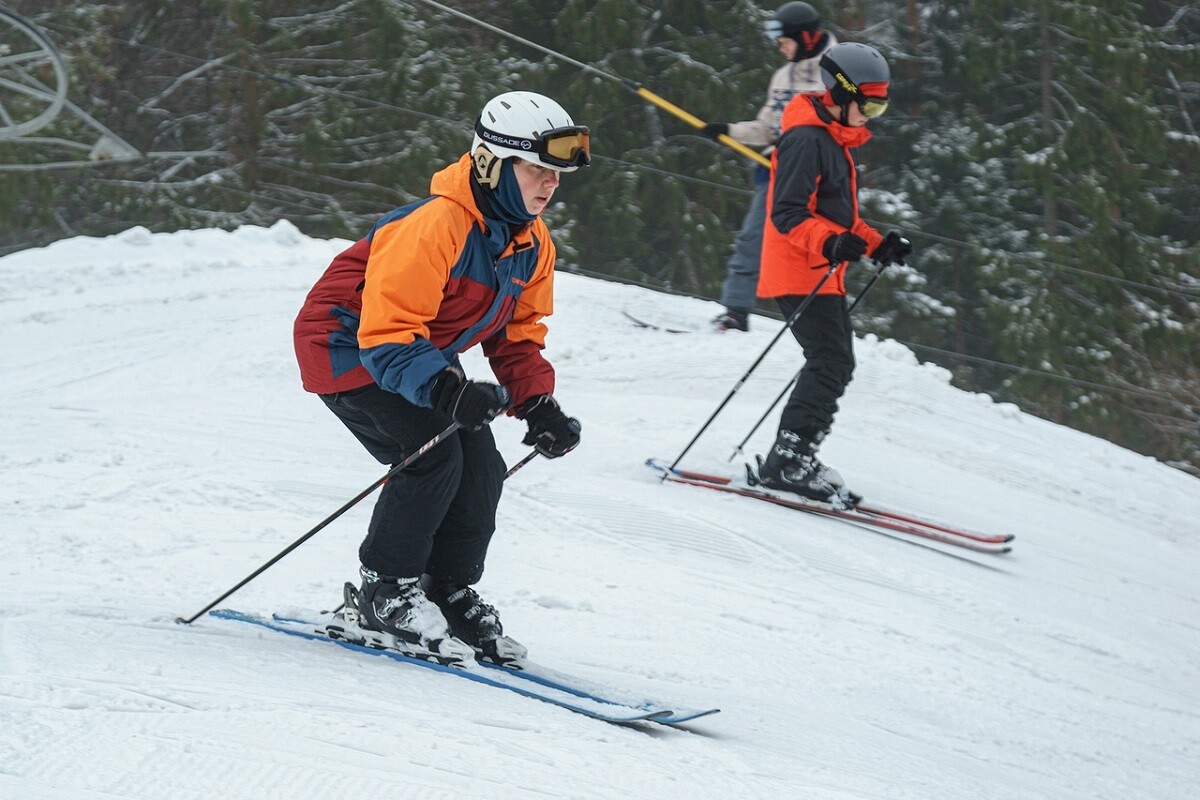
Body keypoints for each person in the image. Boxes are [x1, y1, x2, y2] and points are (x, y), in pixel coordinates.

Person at [292, 91, 588, 667]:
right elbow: (387, 331)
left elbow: (517, 334)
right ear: (490, 164)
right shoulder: (436, 224)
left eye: (556, 175)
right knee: (430, 453)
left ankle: (444, 588)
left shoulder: (532, 243)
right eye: (536, 169)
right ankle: (385, 592)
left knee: (482, 464)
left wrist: (538, 405)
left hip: (415, 351)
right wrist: (448, 389)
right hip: (347, 345)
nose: (549, 185)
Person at [751, 42, 913, 505]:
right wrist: (829, 242)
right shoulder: (806, 140)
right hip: (800, 270)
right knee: (831, 361)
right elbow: (787, 213)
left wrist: (879, 243)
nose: (874, 114)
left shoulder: (832, 140)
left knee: (832, 361)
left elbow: (839, 218)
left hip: (820, 271)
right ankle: (789, 462)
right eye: (871, 103)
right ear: (842, 94)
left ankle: (792, 457)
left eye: (882, 104)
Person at [703, 2, 835, 332]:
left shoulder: (836, 73)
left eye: (785, 39)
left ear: (806, 37)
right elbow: (767, 127)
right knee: (753, 238)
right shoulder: (782, 76)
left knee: (813, 246)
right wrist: (729, 131)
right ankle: (736, 310)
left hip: (817, 178)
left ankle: (817, 318)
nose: (780, 46)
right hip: (776, 172)